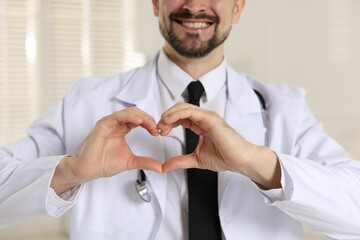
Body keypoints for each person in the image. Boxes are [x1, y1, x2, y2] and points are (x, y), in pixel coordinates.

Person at [1, 0, 360, 239]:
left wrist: (256, 162)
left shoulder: (285, 109)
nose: (194, 4)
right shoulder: (87, 103)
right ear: (156, 3)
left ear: (238, 8)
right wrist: (71, 170)